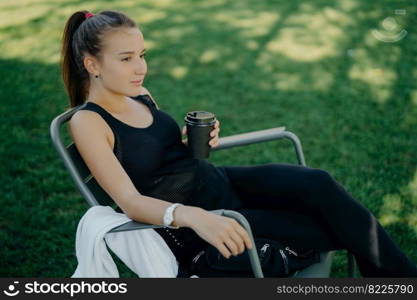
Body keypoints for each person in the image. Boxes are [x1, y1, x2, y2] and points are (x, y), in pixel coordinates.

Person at [60, 10, 417, 278]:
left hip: (219, 181)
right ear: (92, 64)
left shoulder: (139, 94)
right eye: (126, 59)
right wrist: (195, 218)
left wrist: (196, 142)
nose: (141, 67)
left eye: (142, 54)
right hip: (204, 219)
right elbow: (131, 201)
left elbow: (158, 155)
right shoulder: (88, 122)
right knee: (329, 227)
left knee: (319, 184)